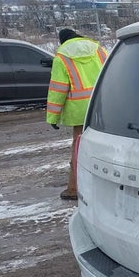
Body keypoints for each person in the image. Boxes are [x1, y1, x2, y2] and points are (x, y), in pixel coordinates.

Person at [47, 28, 108, 200]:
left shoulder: (62, 57)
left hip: (79, 111)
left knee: (79, 147)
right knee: (107, 144)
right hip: (102, 105)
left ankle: (74, 188)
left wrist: (53, 116)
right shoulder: (99, 50)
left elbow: (57, 89)